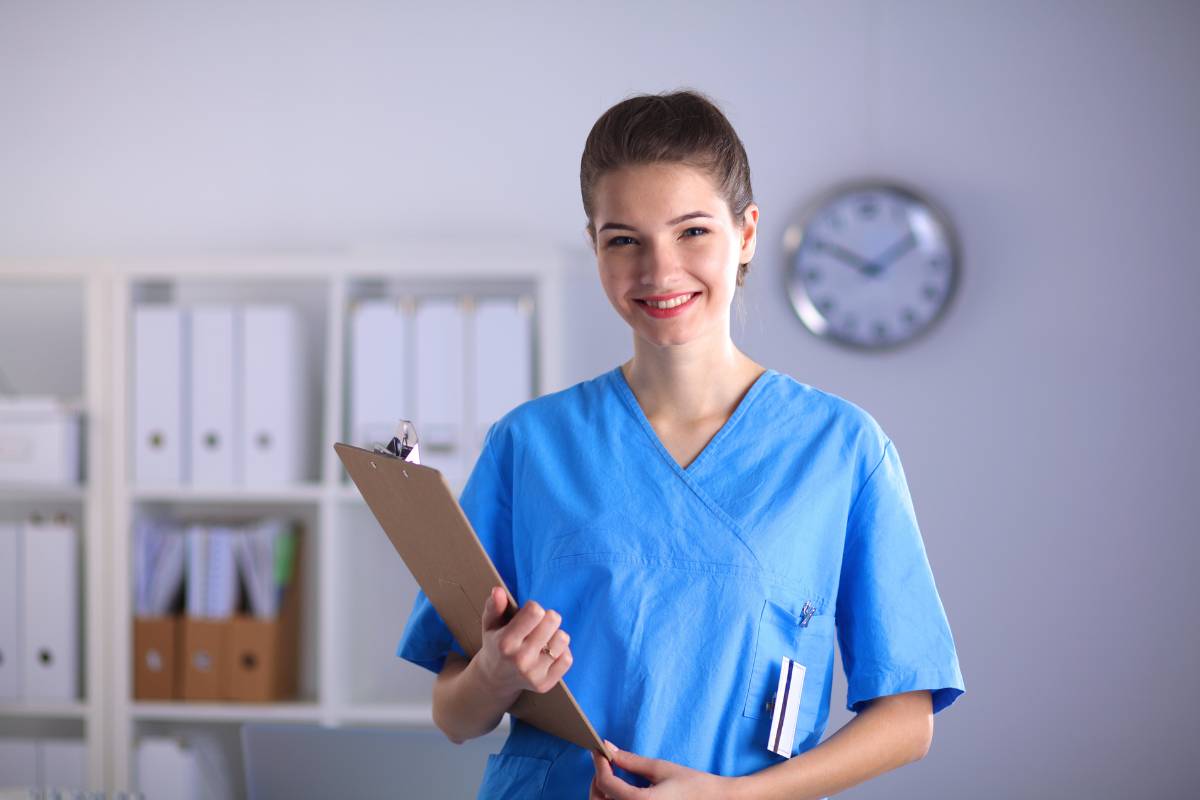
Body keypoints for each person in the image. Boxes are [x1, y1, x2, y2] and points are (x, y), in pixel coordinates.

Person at [397, 89, 965, 800]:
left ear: (747, 233)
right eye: (624, 240)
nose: (659, 272)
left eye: (692, 232)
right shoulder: (531, 445)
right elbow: (455, 714)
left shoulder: (841, 449)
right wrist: (495, 675)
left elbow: (908, 716)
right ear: (596, 249)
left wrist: (730, 797)